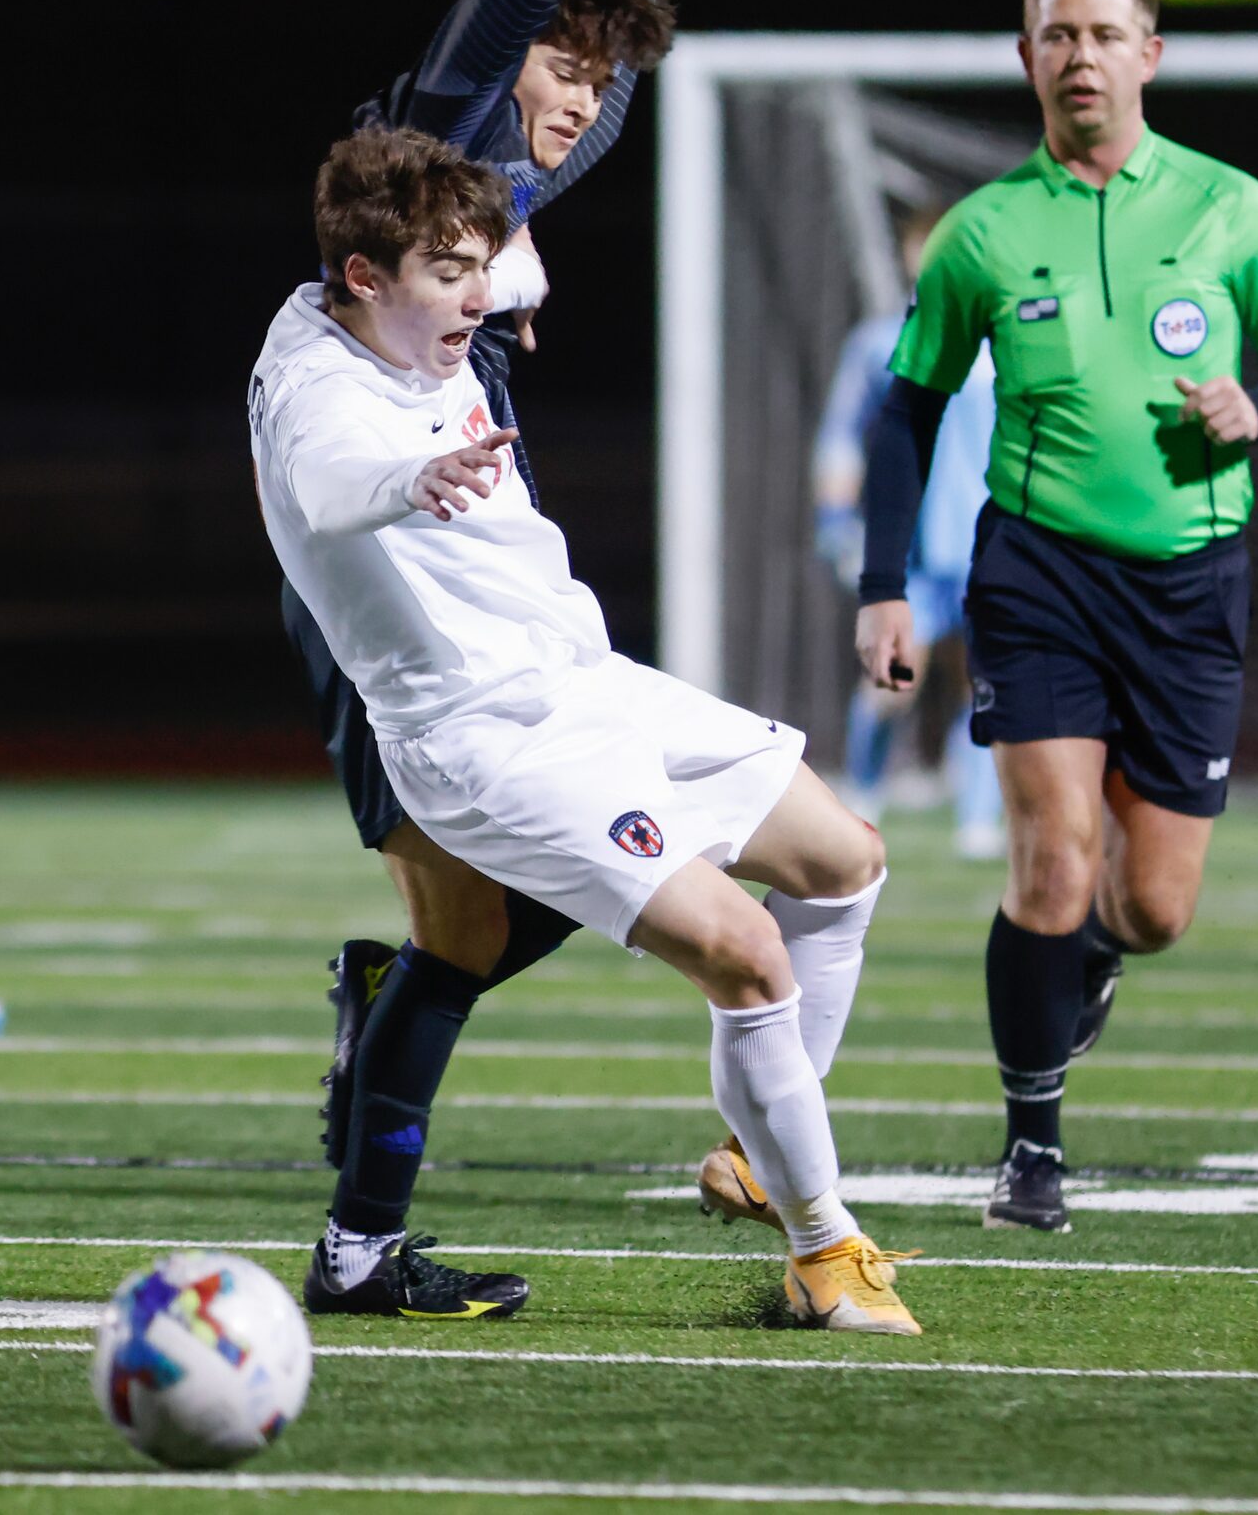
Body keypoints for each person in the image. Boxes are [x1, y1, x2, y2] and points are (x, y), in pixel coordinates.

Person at [250, 126, 920, 1334]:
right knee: (746, 958)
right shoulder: (319, 393)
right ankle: (826, 1255)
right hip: (483, 737)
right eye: (448, 272)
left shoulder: (410, 299)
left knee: (845, 859)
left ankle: (760, 1157)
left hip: (581, 677)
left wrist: (528, 214)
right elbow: (328, 484)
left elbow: (504, 230)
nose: (475, 295)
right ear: (362, 279)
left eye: (480, 266)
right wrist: (415, 482)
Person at [281, 0, 758, 1314]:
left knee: (491, 914)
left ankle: (379, 1077)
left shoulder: (533, 153)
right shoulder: (452, 105)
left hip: (468, 504)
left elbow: (603, 71)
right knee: (467, 912)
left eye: (591, 69)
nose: (570, 88)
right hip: (377, 531)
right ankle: (362, 1219)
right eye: (557, 57)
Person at [856, 0, 1258, 1232]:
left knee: (1150, 906)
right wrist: (881, 581)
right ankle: (1030, 1149)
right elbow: (901, 410)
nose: (1079, 56)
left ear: (1148, 54)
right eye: (1055, 35)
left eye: (1102, 33)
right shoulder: (981, 231)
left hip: (1192, 584)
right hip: (1039, 571)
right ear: (1026, 59)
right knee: (1053, 858)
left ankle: (1091, 960)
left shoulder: (1228, 208)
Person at [812, 204, 1003, 856]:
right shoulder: (876, 342)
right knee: (889, 678)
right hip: (914, 549)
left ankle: (979, 819)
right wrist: (837, 523)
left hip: (990, 544)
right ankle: (861, 799)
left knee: (985, 682)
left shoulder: (1004, 338)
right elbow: (840, 438)